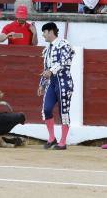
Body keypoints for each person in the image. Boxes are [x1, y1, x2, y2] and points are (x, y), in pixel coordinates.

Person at [38, 21, 74, 150]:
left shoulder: (64, 44)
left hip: (64, 82)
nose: (43, 35)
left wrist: (51, 71)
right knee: (47, 109)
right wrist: (42, 84)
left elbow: (64, 61)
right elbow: (45, 67)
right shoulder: (47, 49)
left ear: (50, 31)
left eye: (44, 32)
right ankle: (52, 138)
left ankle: (63, 142)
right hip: (52, 83)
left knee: (63, 112)